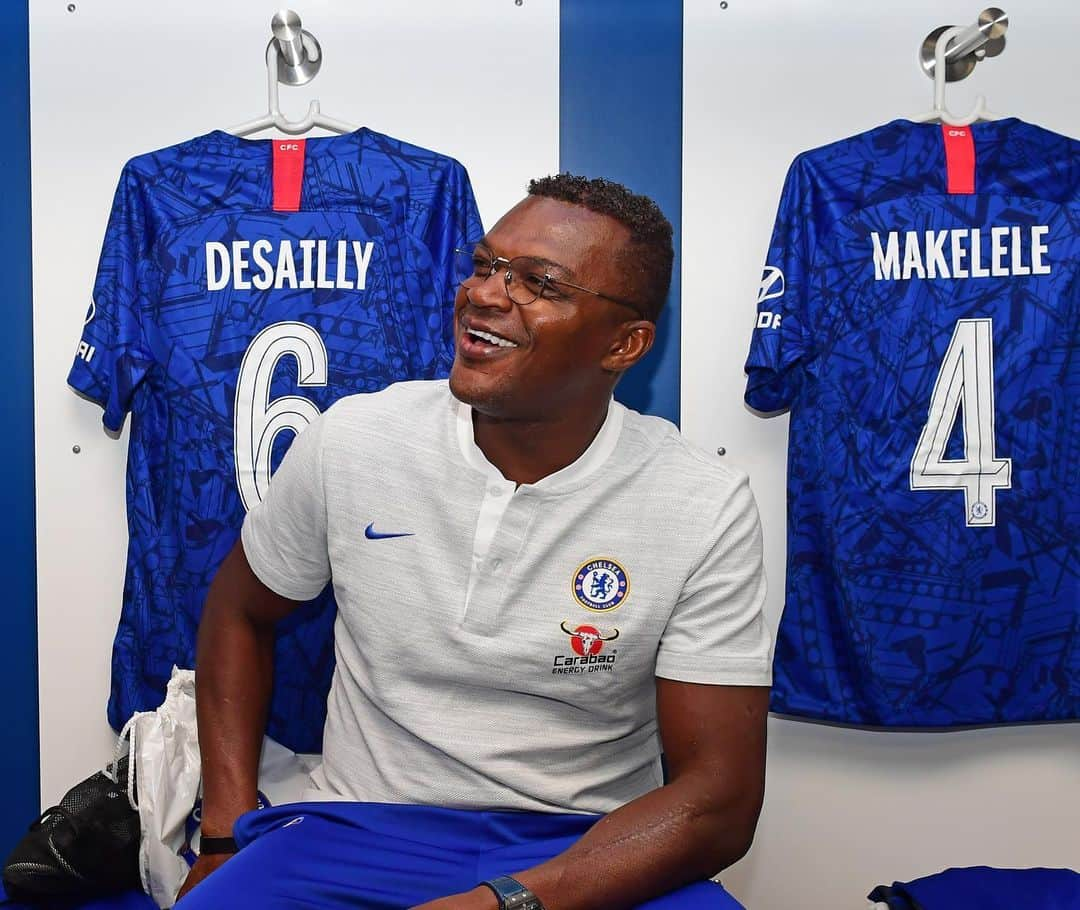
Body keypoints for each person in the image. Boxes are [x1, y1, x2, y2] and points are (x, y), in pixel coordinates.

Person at [176, 175, 772, 910]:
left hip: (586, 843)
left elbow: (720, 800)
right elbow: (238, 611)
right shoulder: (357, 440)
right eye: (486, 265)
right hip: (359, 829)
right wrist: (225, 832)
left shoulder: (700, 501)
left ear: (625, 343)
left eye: (538, 284)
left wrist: (505, 903)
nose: (486, 295)